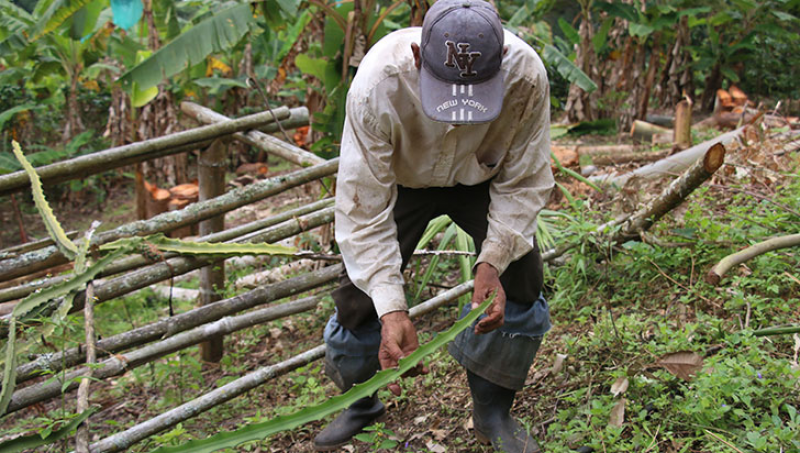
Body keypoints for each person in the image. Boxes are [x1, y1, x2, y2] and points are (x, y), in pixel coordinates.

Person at [315, 0, 554, 451]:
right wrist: (391, 308)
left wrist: (493, 261)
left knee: (520, 279)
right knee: (358, 298)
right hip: (402, 179)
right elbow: (363, 208)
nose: (456, 117)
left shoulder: (525, 77)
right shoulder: (377, 85)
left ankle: (492, 411)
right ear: (418, 57)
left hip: (481, 177)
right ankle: (361, 403)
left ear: (501, 60)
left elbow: (524, 180)